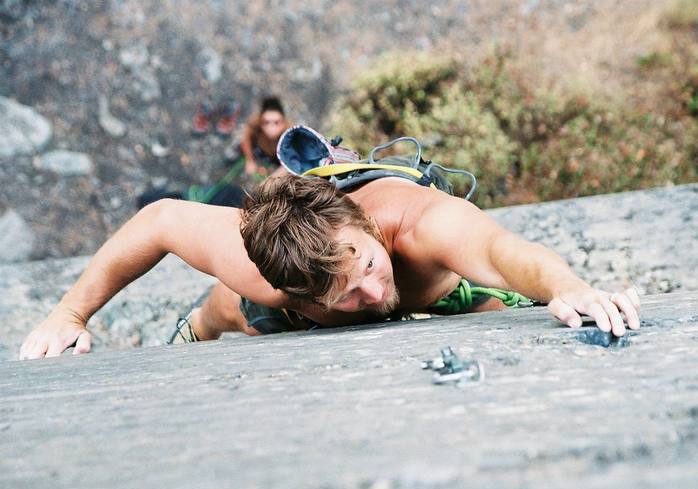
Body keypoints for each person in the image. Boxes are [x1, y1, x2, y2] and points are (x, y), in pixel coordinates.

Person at [19, 171, 641, 359]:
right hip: (270, 302)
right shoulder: (258, 273)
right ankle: (197, 334)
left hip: (439, 291)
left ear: (369, 230)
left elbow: (503, 253)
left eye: (370, 264)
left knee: (503, 305)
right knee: (225, 311)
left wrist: (566, 286)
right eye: (346, 295)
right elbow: (156, 220)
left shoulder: (418, 226)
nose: (373, 292)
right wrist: (68, 315)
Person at [225, 96, 290, 177]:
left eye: (276, 122)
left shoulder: (290, 133)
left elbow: (290, 163)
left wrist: (272, 177)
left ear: (283, 122)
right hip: (259, 147)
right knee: (240, 138)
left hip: (276, 154)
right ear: (261, 121)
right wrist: (250, 160)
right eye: (266, 122)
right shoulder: (255, 122)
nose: (271, 128)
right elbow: (245, 138)